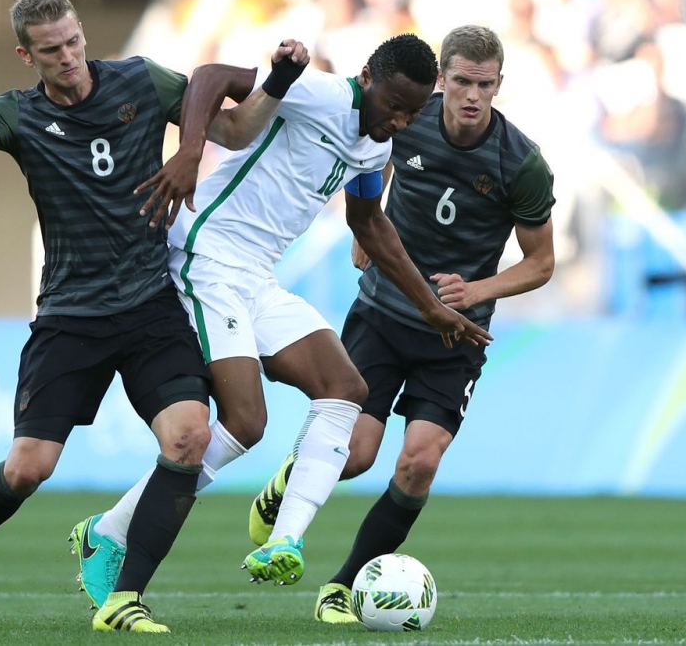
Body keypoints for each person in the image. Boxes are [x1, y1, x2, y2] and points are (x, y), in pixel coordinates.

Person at [0, 0, 311, 633]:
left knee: (188, 439)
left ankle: (123, 598)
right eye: (52, 50)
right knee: (27, 469)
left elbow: (236, 129)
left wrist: (278, 78)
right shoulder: (19, 115)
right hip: (70, 316)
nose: (69, 58)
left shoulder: (140, 82)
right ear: (27, 54)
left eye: (74, 42)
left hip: (149, 304)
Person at [71, 33, 494, 612]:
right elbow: (211, 76)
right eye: (393, 103)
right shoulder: (319, 93)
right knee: (246, 422)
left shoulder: (374, 148)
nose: (399, 120)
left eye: (413, 111)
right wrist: (191, 151)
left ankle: (285, 539)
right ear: (367, 77)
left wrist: (430, 304)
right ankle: (111, 533)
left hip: (257, 278)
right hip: (207, 256)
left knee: (346, 388)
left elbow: (369, 224)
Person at [249, 25, 556, 623]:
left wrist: (478, 290)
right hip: (383, 314)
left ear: (499, 85)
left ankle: (340, 587)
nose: (472, 95)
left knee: (418, 462)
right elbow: (370, 153)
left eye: (484, 84)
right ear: (443, 77)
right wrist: (366, 229)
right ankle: (293, 478)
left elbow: (543, 262)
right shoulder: (408, 117)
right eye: (462, 81)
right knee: (358, 454)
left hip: (455, 335)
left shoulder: (521, 162)